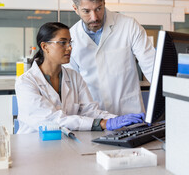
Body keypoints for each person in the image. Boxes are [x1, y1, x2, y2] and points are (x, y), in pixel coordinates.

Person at [15, 22, 145, 134]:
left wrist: (117, 120)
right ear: (44, 47)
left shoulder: (73, 77)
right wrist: (102, 124)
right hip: (32, 145)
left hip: (64, 142)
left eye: (70, 42)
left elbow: (89, 111)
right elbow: (52, 120)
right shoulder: (26, 82)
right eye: (62, 43)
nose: (69, 48)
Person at [66, 0, 156, 115]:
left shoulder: (129, 26)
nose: (94, 17)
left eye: (98, 8)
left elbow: (152, 67)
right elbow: (71, 85)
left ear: (104, 2)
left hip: (129, 112)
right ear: (75, 9)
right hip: (93, 117)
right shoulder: (71, 37)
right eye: (86, 11)